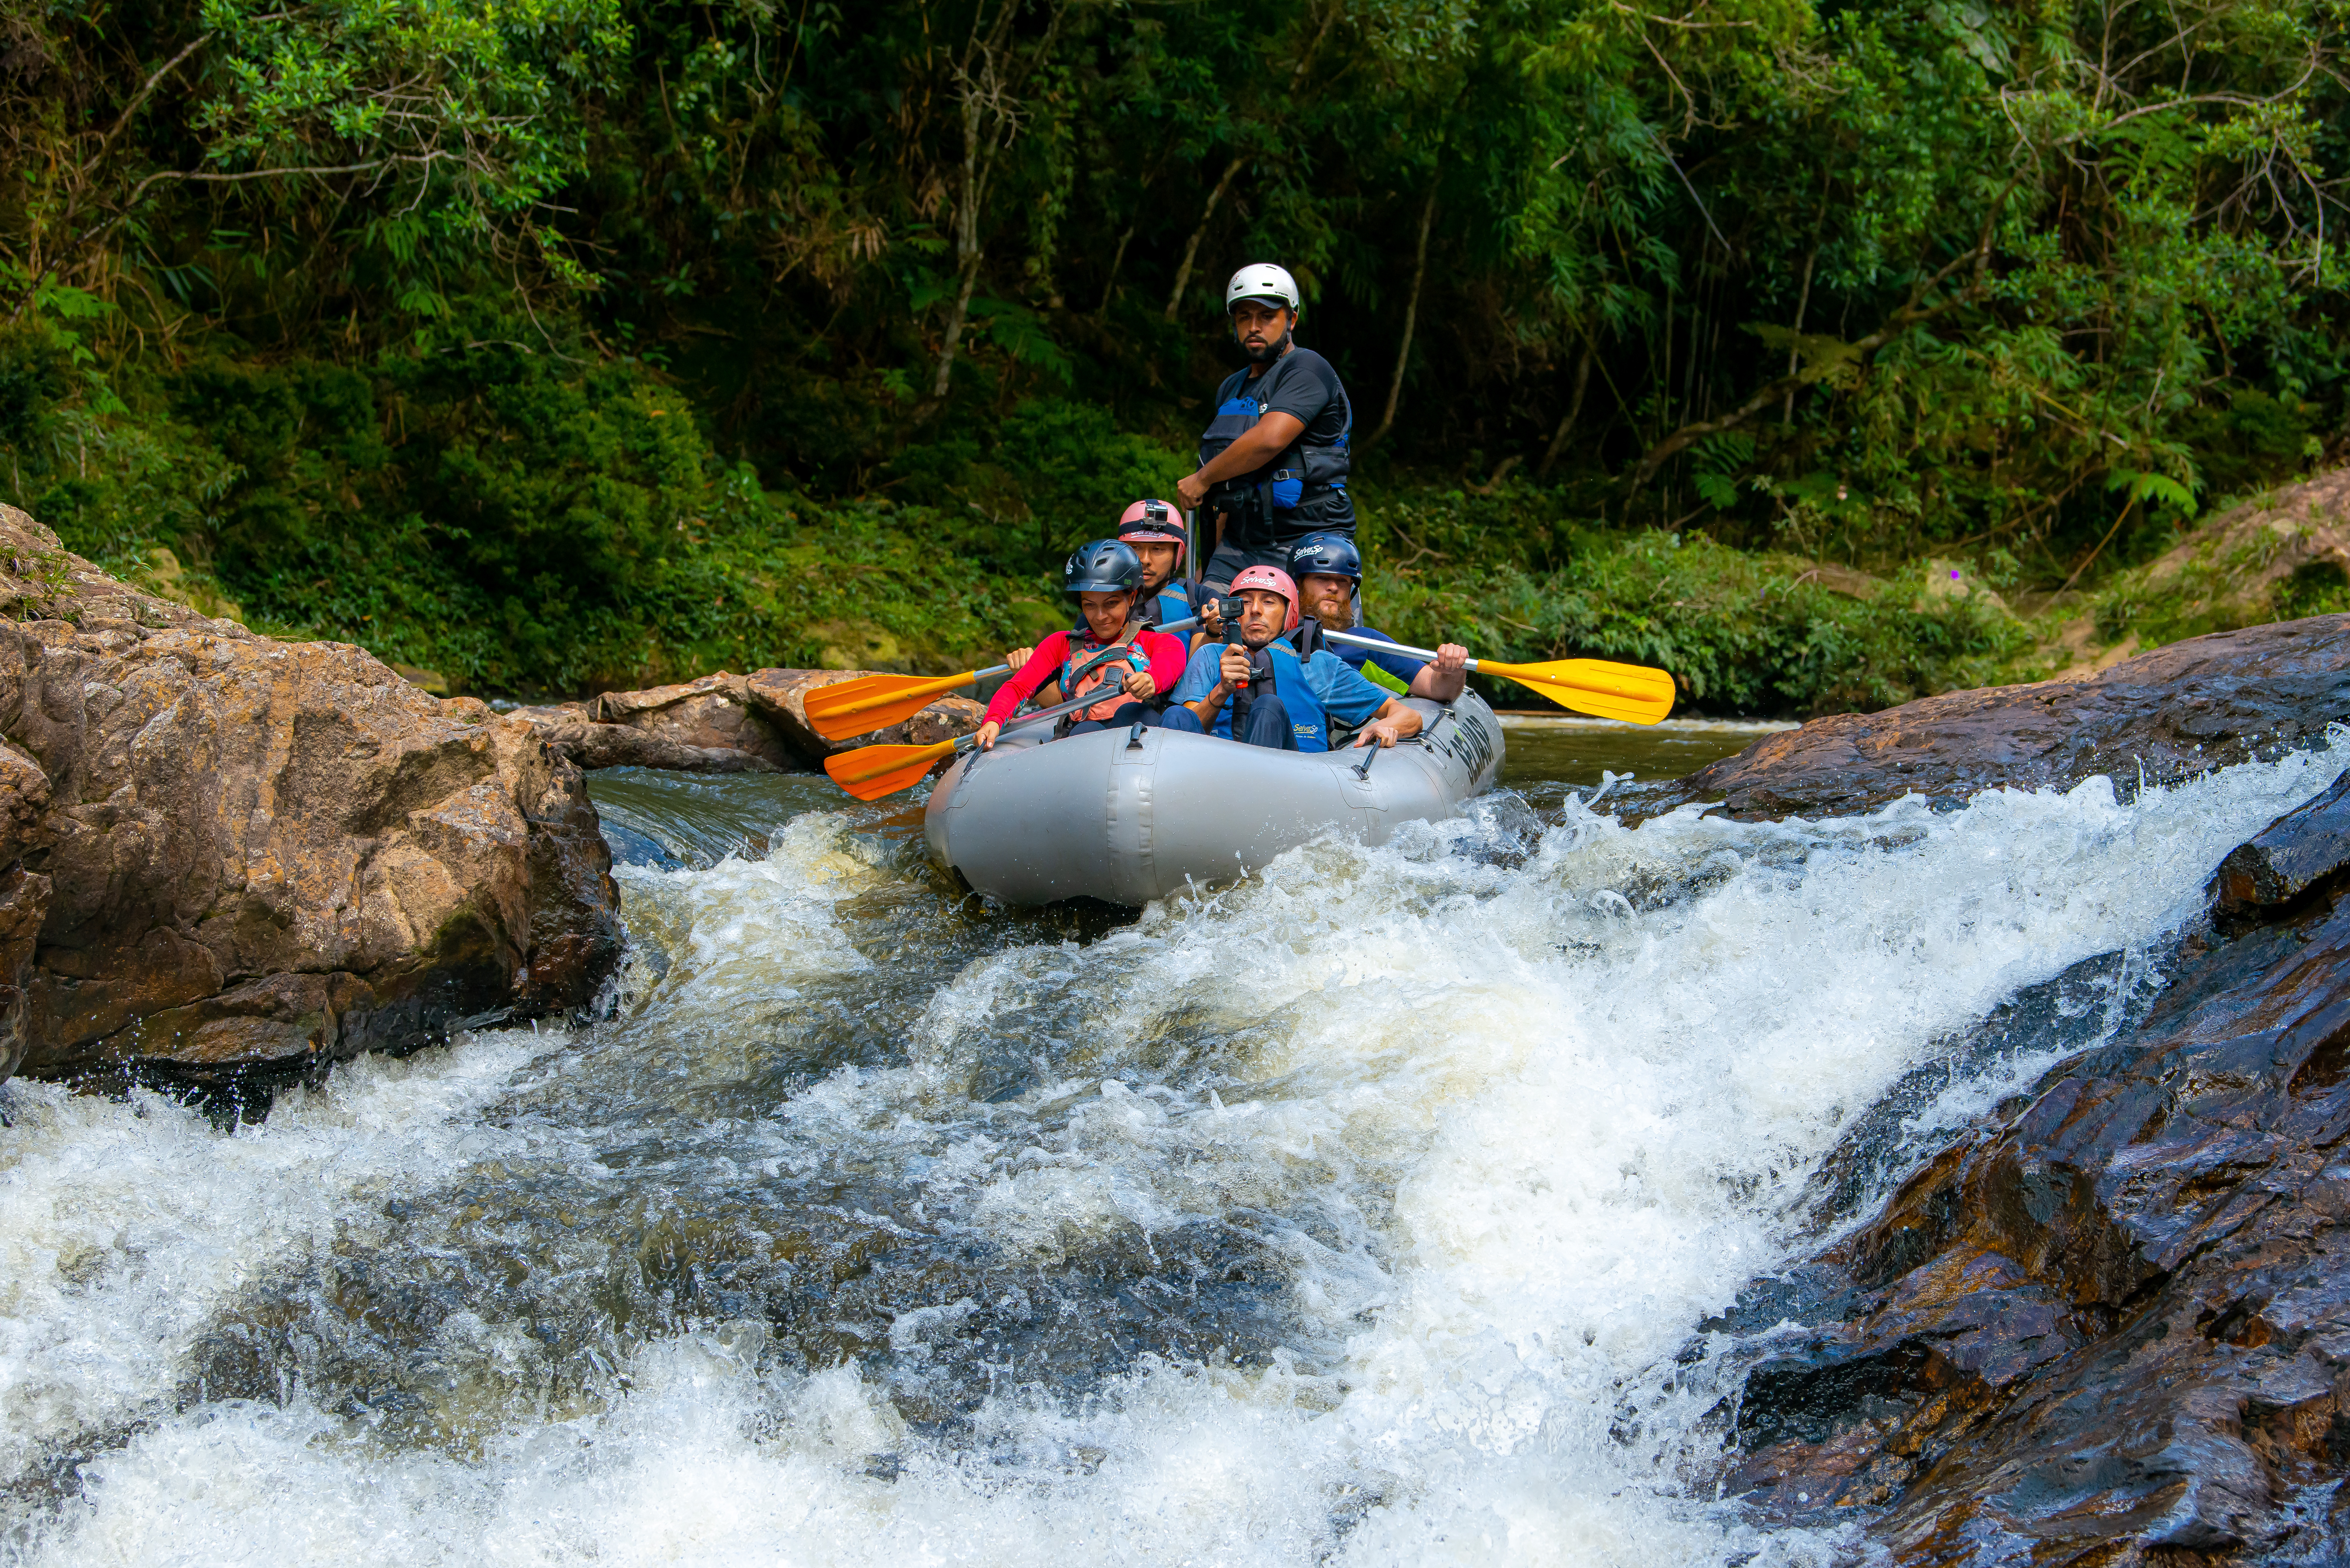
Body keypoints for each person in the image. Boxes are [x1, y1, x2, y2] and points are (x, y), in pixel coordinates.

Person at [1174, 263, 1356, 592]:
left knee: (1303, 640)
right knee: (1206, 620)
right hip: (1239, 544)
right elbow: (1229, 481)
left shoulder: (1307, 368)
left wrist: (1201, 478)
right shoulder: (1231, 388)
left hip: (1310, 543)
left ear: (1292, 320)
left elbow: (1269, 439)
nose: (1254, 326)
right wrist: (1209, 561)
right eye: (1244, 317)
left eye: (1267, 316)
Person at [1162, 566, 1423, 751]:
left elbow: (1408, 716)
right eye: (1245, 602)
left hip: (1290, 785)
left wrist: (1386, 726)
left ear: (1289, 614)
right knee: (1174, 714)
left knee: (1268, 707)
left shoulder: (1318, 665)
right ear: (1235, 613)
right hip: (1209, 779)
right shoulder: (1210, 656)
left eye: (1269, 602)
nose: (1255, 610)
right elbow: (1186, 725)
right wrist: (1222, 691)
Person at [974, 541, 1191, 750]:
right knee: (1088, 728)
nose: (1100, 616)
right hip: (1084, 743)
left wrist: (1152, 680)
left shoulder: (1153, 640)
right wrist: (994, 720)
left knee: (1136, 713)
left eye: (1111, 604)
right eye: (1090, 605)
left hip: (1141, 736)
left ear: (1132, 597)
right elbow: (1018, 687)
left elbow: (1172, 658)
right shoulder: (1061, 644)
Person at [1285, 532, 1471, 702]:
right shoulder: (1269, 634)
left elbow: (1435, 687)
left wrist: (1454, 669)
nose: (1334, 588)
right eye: (1322, 578)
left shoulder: (1363, 643)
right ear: (1298, 584)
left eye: (1343, 581)